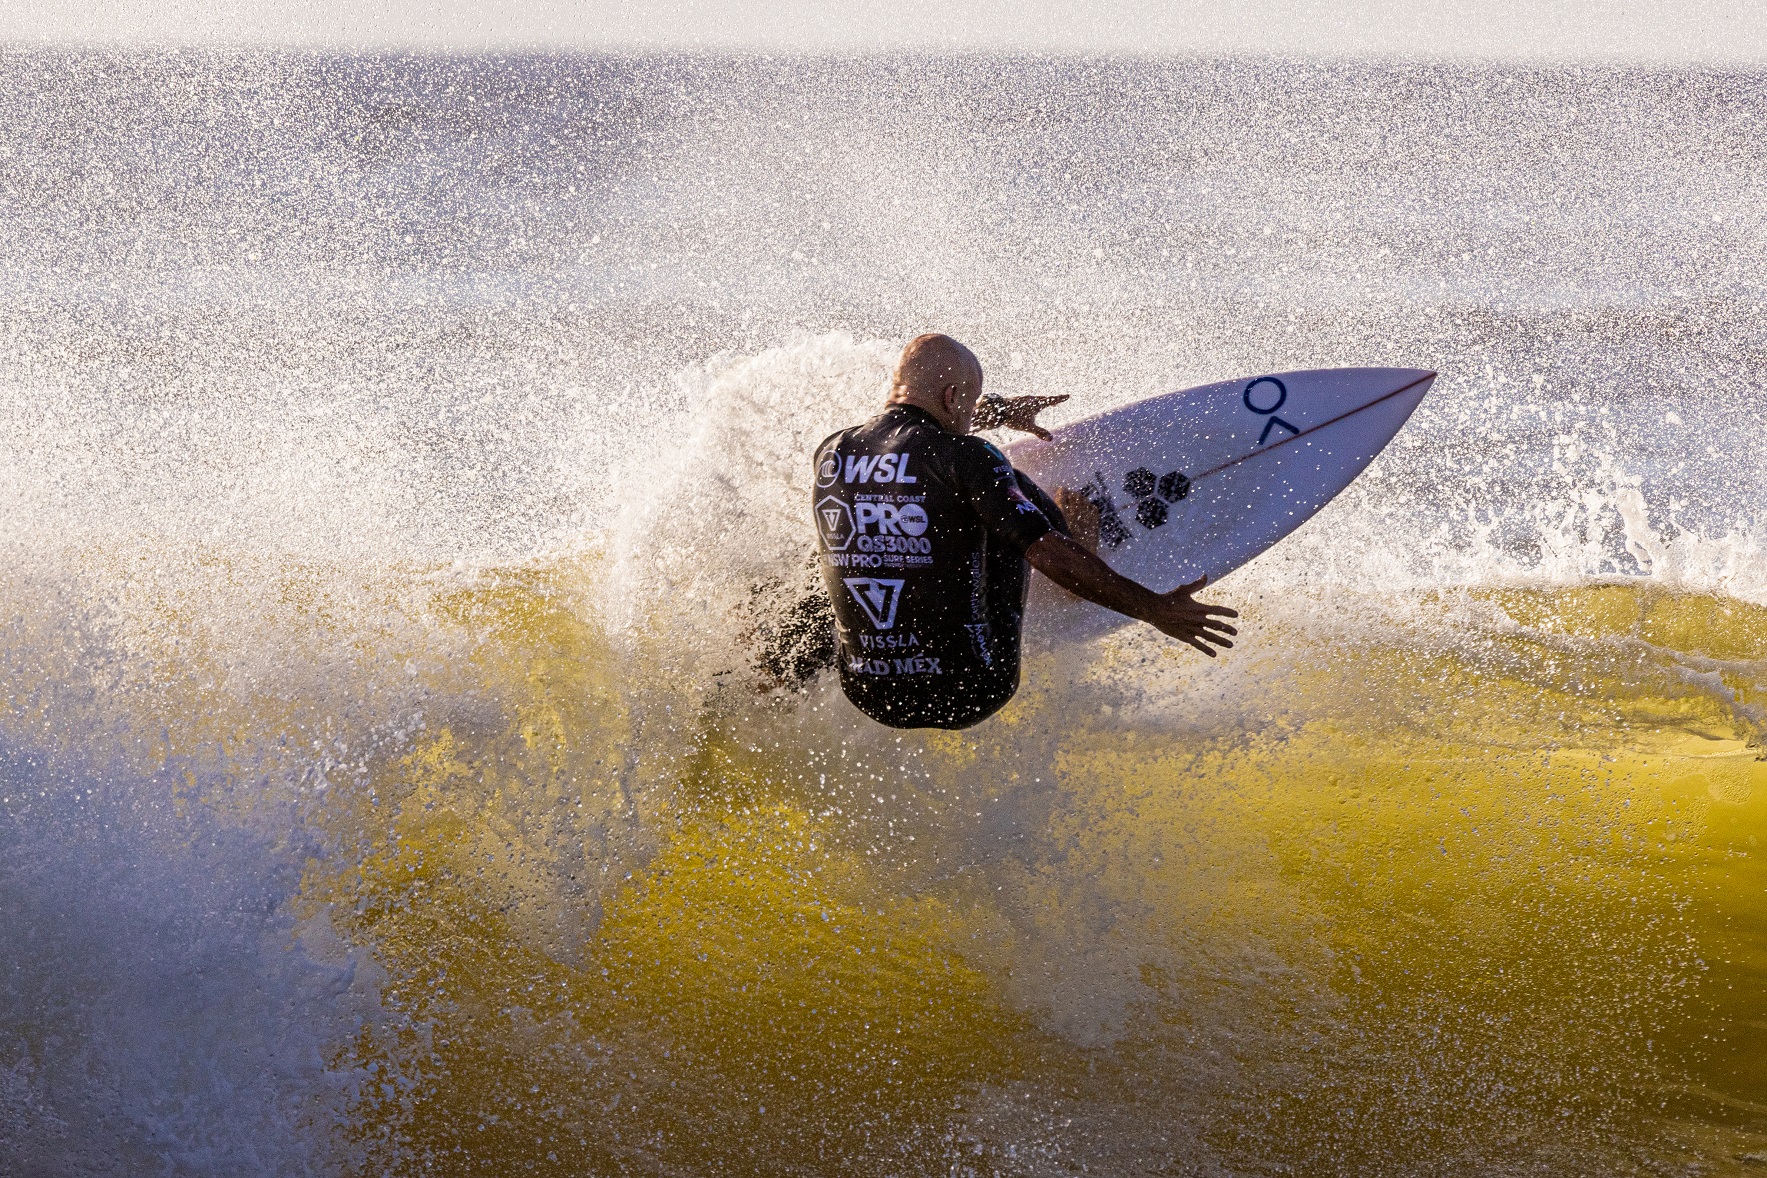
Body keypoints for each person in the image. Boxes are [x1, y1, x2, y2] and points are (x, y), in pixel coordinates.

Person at [811, 333, 1238, 730]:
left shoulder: (831, 451)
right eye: (971, 401)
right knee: (1001, 482)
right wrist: (1154, 609)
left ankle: (776, 669)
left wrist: (994, 411)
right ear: (953, 396)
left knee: (850, 545)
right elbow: (1042, 550)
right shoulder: (969, 455)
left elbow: (918, 451)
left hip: (870, 693)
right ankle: (1077, 540)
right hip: (969, 688)